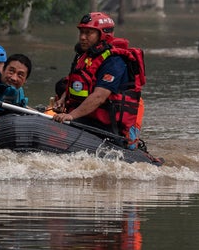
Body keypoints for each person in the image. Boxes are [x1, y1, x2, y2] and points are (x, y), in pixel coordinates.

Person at [52, 12, 146, 149]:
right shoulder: (84, 56)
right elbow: (75, 83)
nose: (82, 37)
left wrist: (71, 116)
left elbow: (99, 96)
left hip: (106, 129)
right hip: (85, 120)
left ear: (103, 35)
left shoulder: (114, 61)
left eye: (88, 33)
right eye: (81, 33)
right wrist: (62, 100)